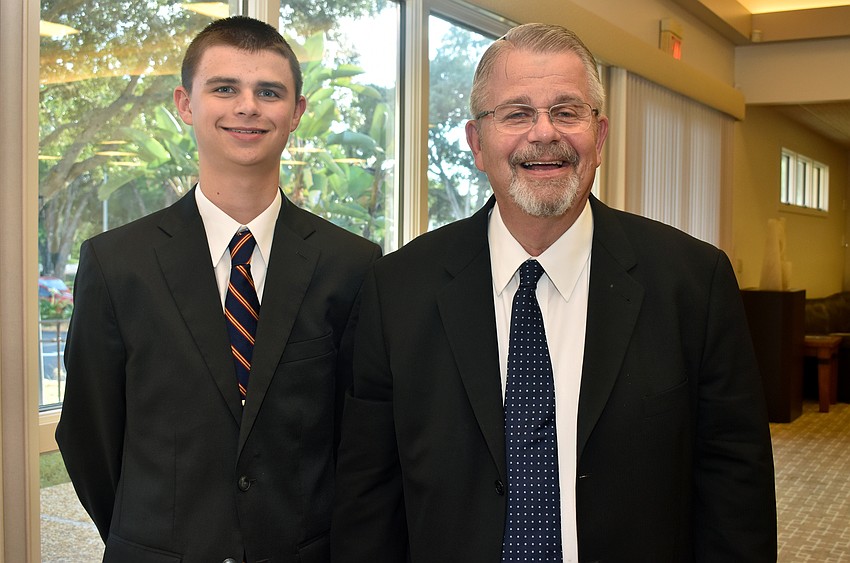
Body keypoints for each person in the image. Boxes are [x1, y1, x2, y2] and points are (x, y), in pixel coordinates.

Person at [331, 22, 776, 562]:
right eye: (517, 113)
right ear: (476, 142)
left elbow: (736, 487)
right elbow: (368, 498)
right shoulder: (397, 289)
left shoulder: (692, 282)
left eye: (567, 112)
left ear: (601, 136)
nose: (544, 134)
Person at [56, 16, 380, 563]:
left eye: (269, 92)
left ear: (297, 112)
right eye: (224, 88)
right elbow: (90, 434)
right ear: (185, 104)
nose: (247, 106)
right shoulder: (117, 264)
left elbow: (358, 444)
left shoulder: (351, 265)